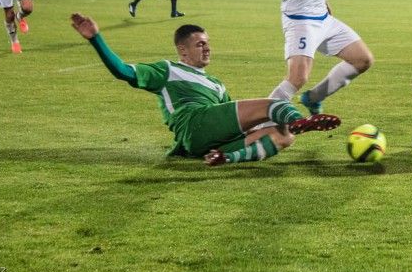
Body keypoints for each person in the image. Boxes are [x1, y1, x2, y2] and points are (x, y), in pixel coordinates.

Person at [70, 13, 341, 166]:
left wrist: (270, 127)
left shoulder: (217, 84)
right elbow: (123, 71)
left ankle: (225, 158)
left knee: (283, 136)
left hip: (203, 142)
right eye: (200, 44)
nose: (207, 48)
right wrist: (96, 39)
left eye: (208, 43)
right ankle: (301, 121)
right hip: (194, 124)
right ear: (182, 50)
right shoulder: (167, 70)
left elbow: (236, 123)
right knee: (273, 106)